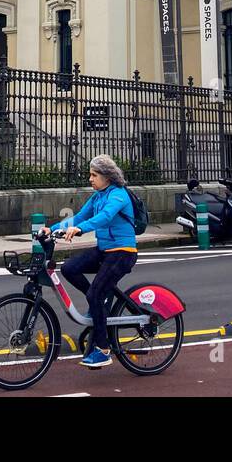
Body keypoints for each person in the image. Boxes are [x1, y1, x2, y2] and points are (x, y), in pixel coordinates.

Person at [44, 155, 137, 369]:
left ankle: (103, 350)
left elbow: (104, 217)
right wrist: (53, 227)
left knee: (96, 293)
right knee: (70, 268)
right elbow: (78, 217)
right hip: (104, 251)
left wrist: (81, 230)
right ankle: (99, 304)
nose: (90, 179)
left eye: (94, 175)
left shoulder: (118, 195)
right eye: (90, 174)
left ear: (107, 176)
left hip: (122, 253)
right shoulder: (97, 196)